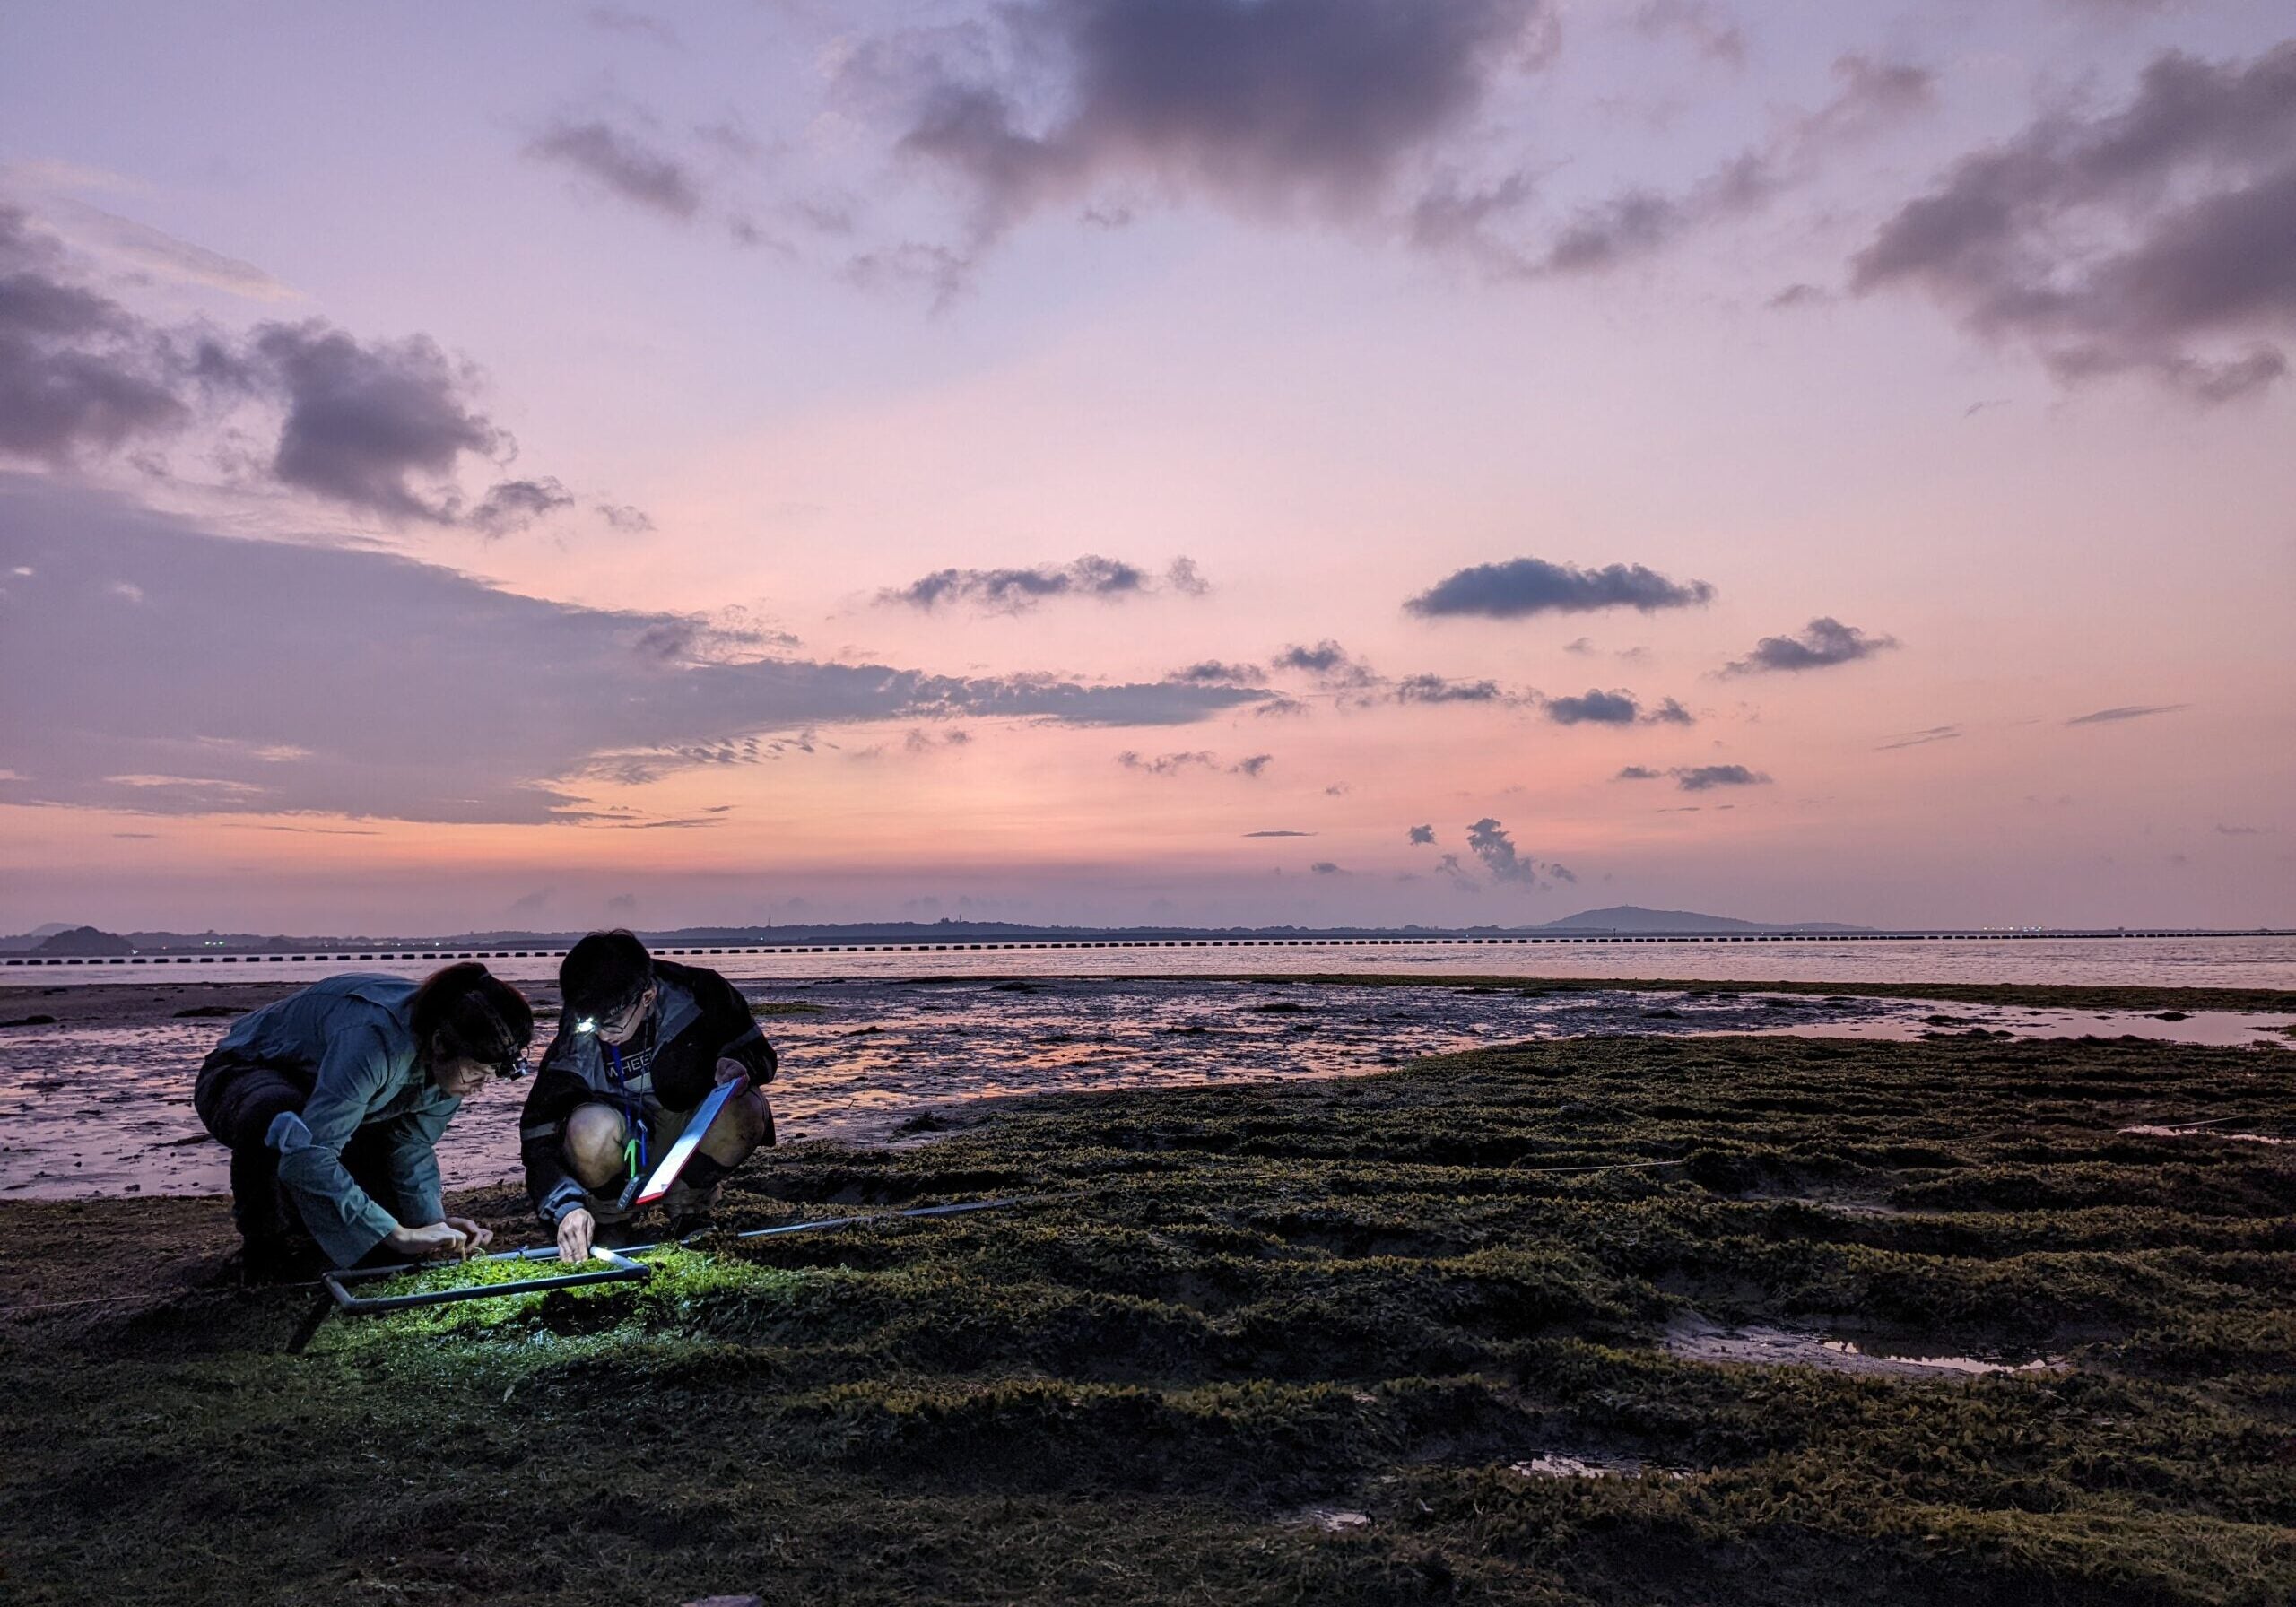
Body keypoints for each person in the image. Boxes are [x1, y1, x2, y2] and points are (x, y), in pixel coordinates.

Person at [194, 963, 535, 1277]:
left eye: (490, 1075)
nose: (480, 1086)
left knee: (386, 1248)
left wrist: (433, 1224)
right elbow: (307, 1155)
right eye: (476, 1072)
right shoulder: (374, 1041)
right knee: (280, 1120)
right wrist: (397, 1233)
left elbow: (411, 1144)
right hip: (244, 1074)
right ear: (439, 1043)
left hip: (336, 1100)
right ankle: (263, 1245)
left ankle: (308, 1234)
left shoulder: (449, 1066)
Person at [521, 930, 778, 1258]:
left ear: (647, 996)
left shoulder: (700, 993)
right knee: (587, 1128)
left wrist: (741, 1066)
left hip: (687, 1127)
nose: (601, 1034)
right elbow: (538, 1132)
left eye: (612, 1023)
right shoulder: (576, 1033)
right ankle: (611, 1216)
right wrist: (565, 1207)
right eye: (590, 1024)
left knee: (746, 1110)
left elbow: (761, 1055)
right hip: (622, 1138)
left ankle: (688, 1207)